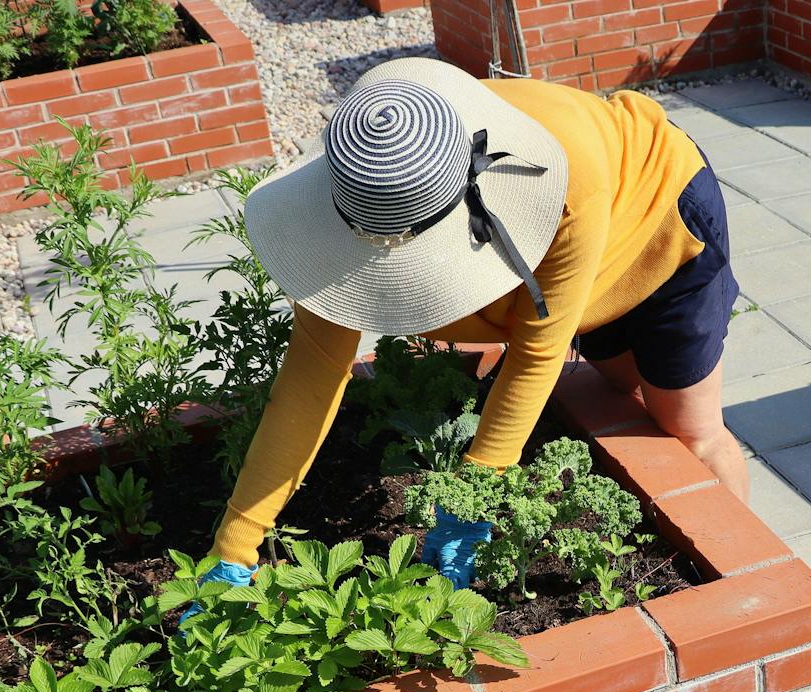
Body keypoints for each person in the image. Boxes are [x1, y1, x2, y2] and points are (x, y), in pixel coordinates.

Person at [198, 56, 744, 594]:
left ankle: (743, 582)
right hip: (580, 275)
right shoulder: (366, 190)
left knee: (688, 431)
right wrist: (234, 545)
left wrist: (469, 505)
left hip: (657, 214)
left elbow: (537, 353)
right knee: (624, 390)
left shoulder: (567, 185)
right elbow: (309, 378)